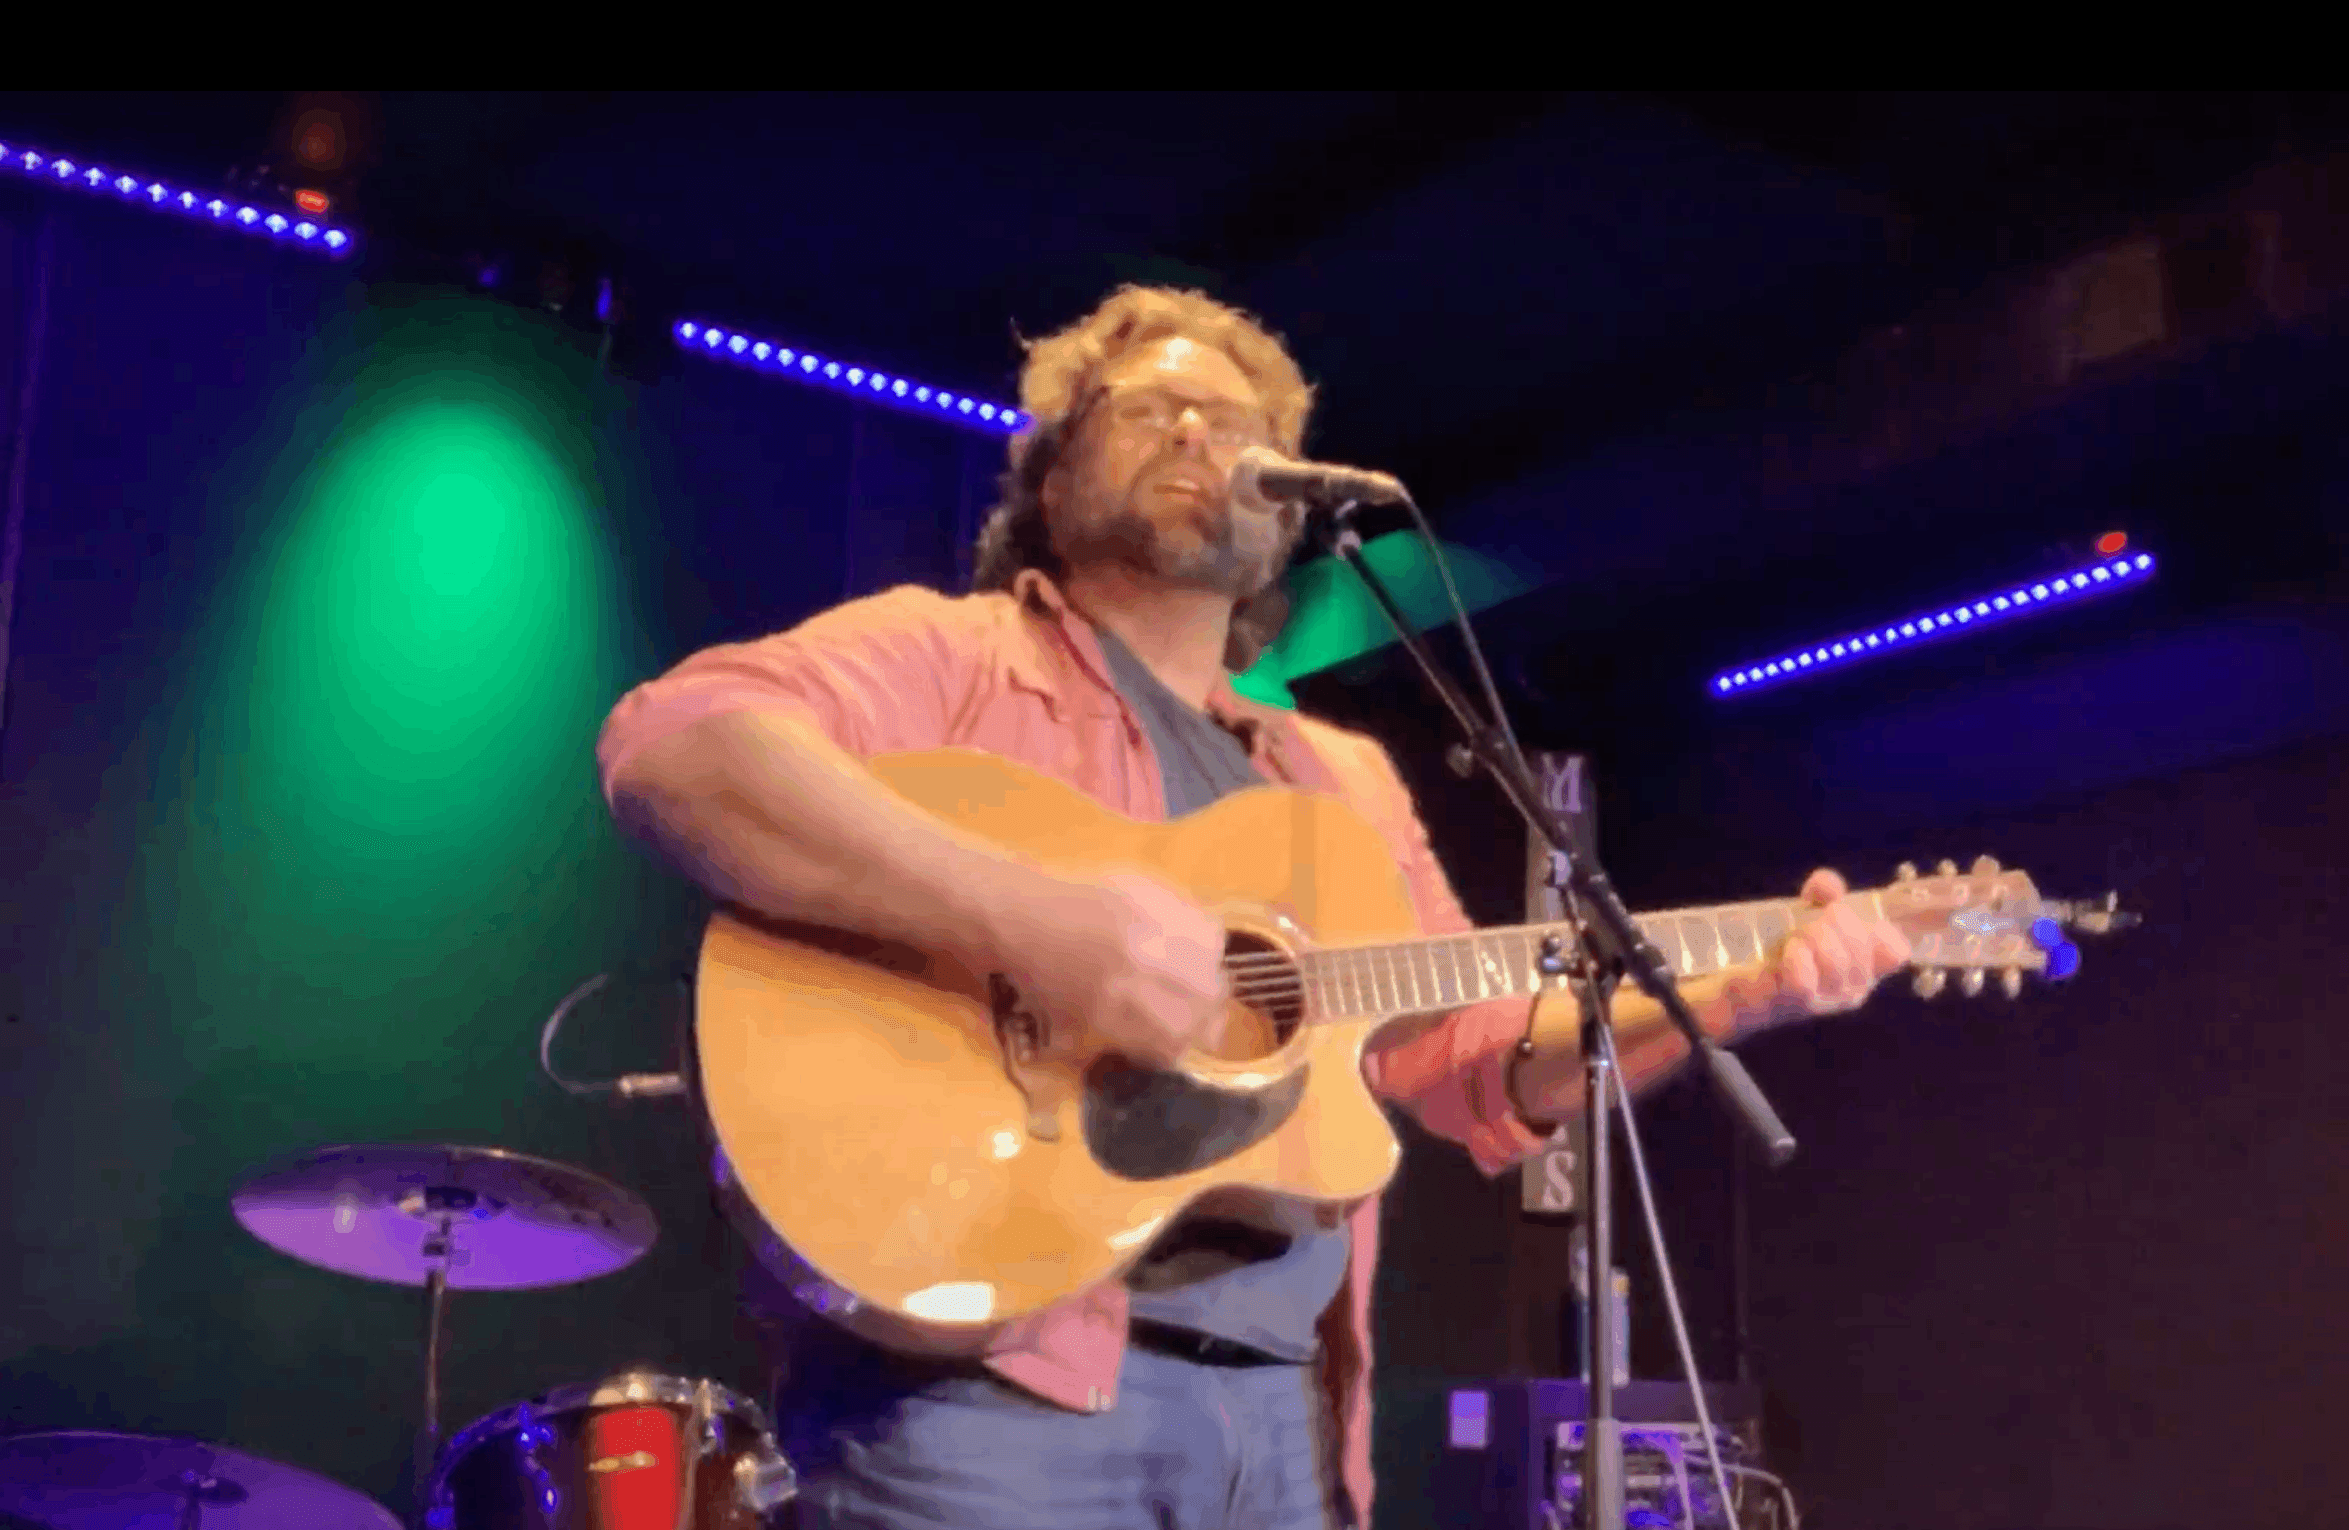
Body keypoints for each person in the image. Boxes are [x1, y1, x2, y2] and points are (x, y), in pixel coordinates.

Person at [596, 286, 1911, 1530]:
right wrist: (1040, 924)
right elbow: (677, 746)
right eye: (1147, 410)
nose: (1196, 435)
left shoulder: (1338, 776)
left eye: (1237, 428)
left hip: (1284, 1414)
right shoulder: (955, 654)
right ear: (1051, 475)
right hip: (986, 1395)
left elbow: (1469, 1051)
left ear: (1285, 509)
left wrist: (1743, 992)